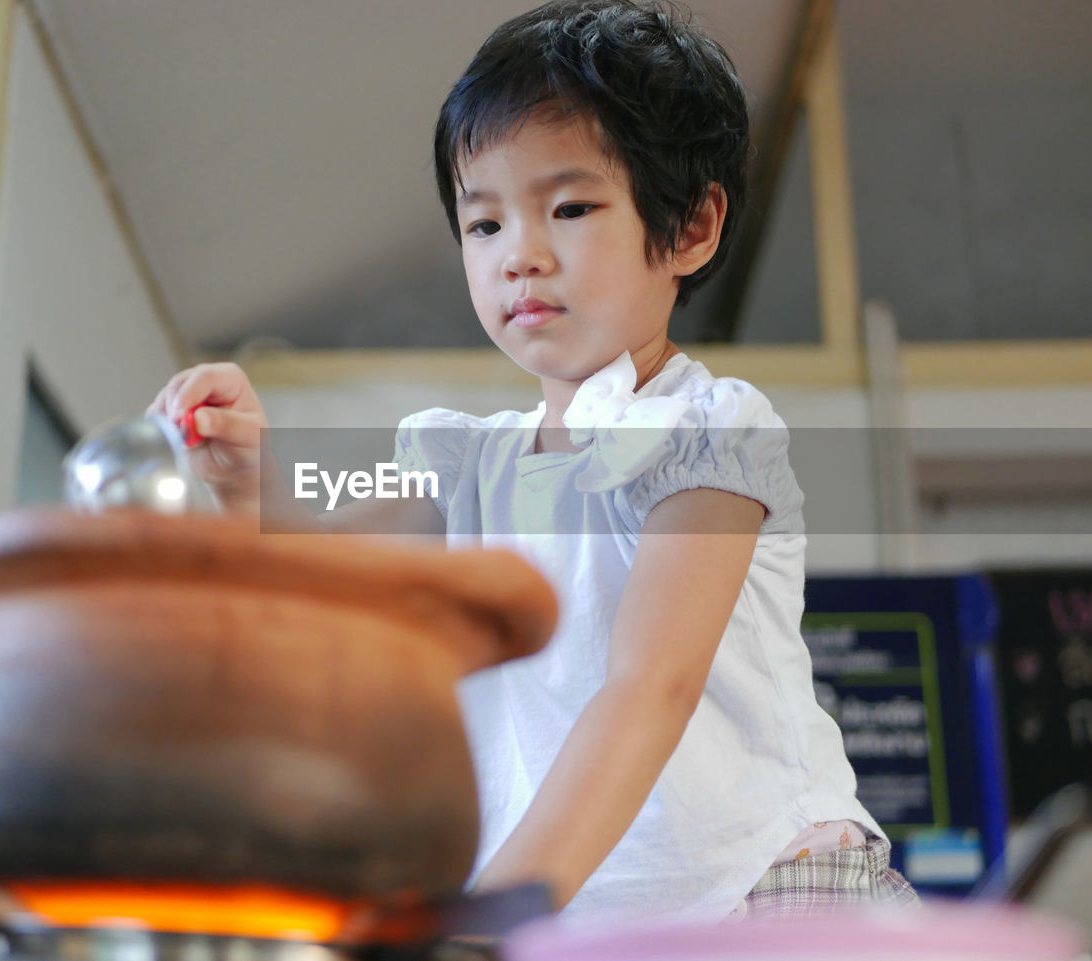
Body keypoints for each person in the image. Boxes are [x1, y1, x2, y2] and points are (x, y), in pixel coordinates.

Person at [149, 0, 917, 924]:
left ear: (691, 228)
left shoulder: (710, 429)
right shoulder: (469, 464)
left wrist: (486, 912)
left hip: (774, 889)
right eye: (484, 225)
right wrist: (246, 477)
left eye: (570, 206)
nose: (521, 256)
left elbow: (650, 687)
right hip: (597, 914)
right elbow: (317, 582)